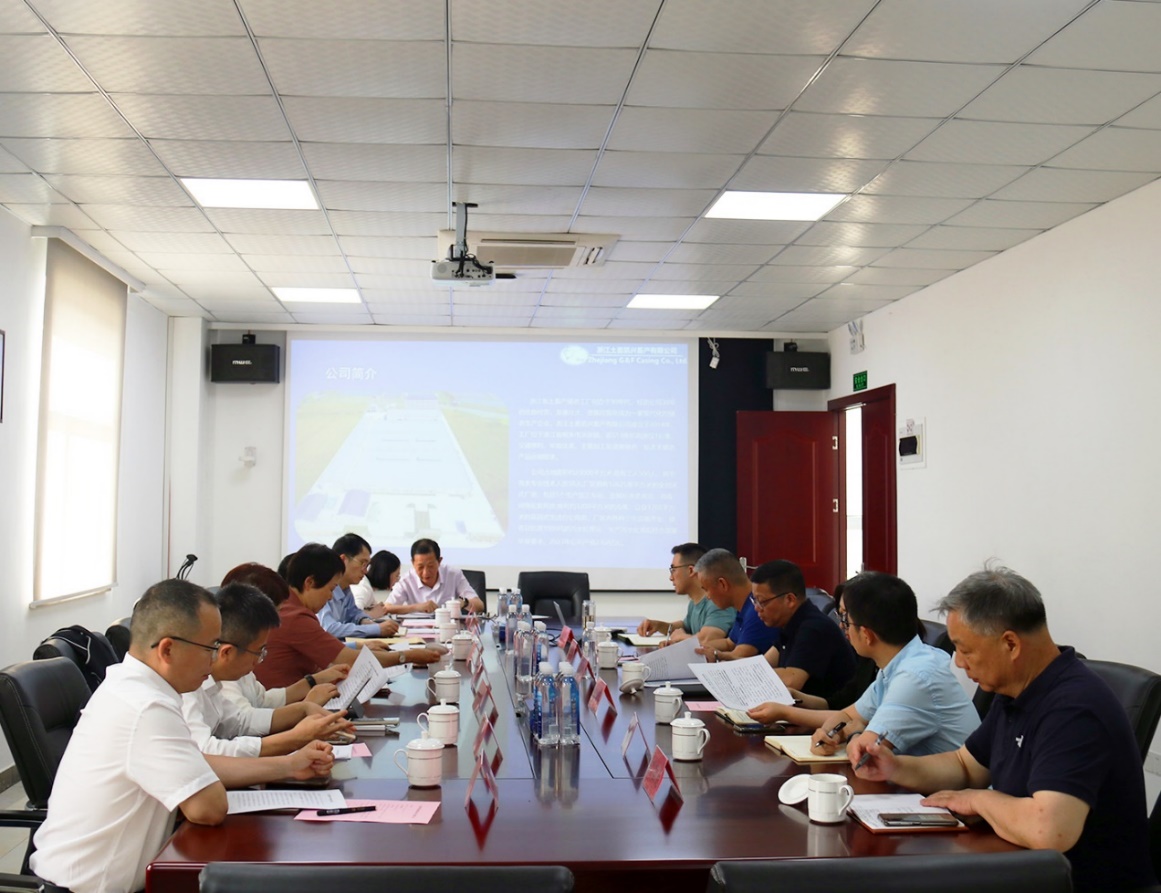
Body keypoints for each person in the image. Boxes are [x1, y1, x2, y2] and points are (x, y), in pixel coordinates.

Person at [849, 567, 1155, 893]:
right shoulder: (1016, 690)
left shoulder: (1075, 708)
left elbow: (1050, 830)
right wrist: (895, 767)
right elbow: (966, 766)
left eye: (965, 650)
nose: (959, 663)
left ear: (1010, 644)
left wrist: (979, 800)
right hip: (1019, 866)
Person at [29, 579, 334, 893]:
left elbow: (200, 762)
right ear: (168, 649)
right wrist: (283, 759)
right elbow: (208, 807)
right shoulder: (146, 707)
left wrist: (289, 765)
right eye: (210, 648)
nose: (215, 658)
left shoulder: (134, 687)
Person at [807, 571, 977, 756]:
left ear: (867, 634)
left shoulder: (915, 678)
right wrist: (827, 733)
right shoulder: (896, 665)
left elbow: (865, 755)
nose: (841, 626)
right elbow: (847, 715)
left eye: (845, 619)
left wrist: (854, 733)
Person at [183, 582, 354, 756]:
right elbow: (206, 751)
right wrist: (294, 739)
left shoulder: (212, 683)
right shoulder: (187, 688)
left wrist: (303, 709)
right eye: (258, 652)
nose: (259, 661)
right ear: (226, 652)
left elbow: (241, 721)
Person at [256, 543, 445, 689]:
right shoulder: (296, 616)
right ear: (309, 582)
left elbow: (328, 651)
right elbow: (348, 658)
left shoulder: (291, 607)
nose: (331, 597)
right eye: (330, 589)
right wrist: (407, 656)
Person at [217, 562, 350, 712]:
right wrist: (306, 707)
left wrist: (315, 681)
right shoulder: (227, 669)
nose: (279, 620)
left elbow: (264, 700)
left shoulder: (242, 660)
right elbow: (246, 720)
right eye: (277, 612)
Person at [747, 581, 878, 728]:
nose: (841, 625)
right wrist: (795, 696)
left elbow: (857, 720)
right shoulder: (867, 660)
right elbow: (836, 705)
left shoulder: (815, 627)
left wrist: (786, 712)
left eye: (845, 617)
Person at [747, 559, 855, 700]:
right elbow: (762, 666)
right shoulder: (790, 622)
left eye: (762, 601)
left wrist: (748, 677)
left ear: (790, 600)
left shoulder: (814, 627)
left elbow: (792, 681)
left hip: (827, 710)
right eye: (754, 600)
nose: (756, 608)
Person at [637, 543, 736, 646]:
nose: (671, 577)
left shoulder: (717, 601)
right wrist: (658, 625)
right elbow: (685, 627)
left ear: (691, 570)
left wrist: (681, 637)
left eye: (674, 570)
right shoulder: (694, 602)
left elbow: (707, 640)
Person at [692, 548, 780, 661]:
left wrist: (715, 654)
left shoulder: (757, 610)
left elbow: (738, 657)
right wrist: (694, 648)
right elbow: (729, 643)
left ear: (722, 584)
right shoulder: (744, 606)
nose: (707, 597)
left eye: (706, 589)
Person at [317, 533, 399, 636]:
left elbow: (354, 614)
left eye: (367, 565)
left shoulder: (346, 589)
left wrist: (367, 622)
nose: (365, 571)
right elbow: (329, 628)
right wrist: (376, 629)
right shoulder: (321, 587)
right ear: (343, 560)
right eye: (362, 563)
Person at [387, 538, 485, 614]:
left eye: (430, 566)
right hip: (417, 631)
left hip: (449, 629)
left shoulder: (453, 575)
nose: (425, 573)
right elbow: (387, 608)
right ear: (412, 563)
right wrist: (417, 607)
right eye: (420, 567)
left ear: (439, 561)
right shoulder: (406, 580)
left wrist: (464, 603)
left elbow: (479, 605)